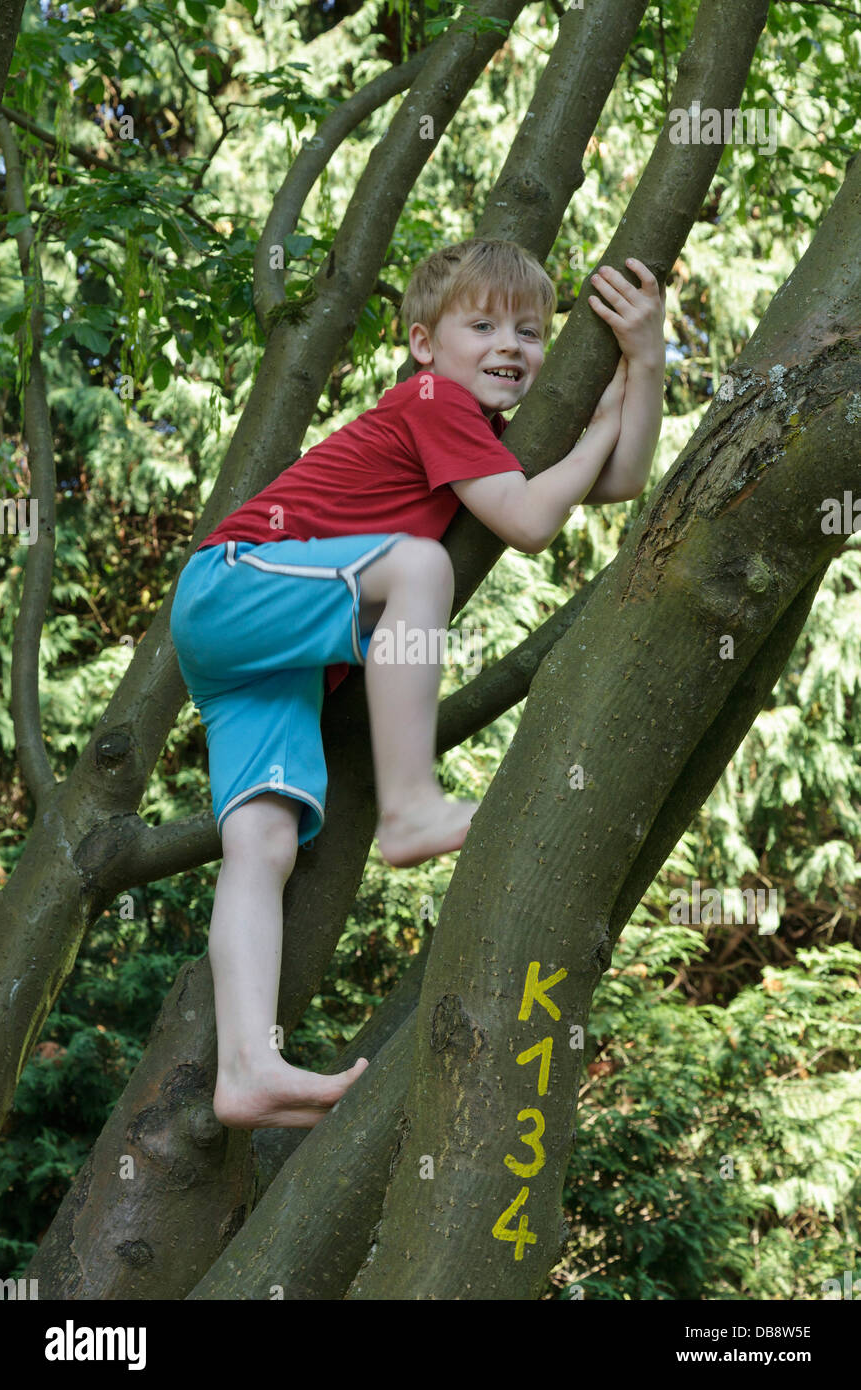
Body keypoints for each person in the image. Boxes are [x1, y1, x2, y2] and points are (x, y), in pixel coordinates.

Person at [169, 238, 665, 1129]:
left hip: (266, 652)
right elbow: (526, 520)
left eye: (530, 329)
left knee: (263, 847)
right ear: (424, 345)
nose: (510, 343)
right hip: (236, 583)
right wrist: (596, 423)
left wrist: (644, 360)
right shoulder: (433, 401)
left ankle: (246, 1066)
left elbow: (620, 478)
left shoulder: (483, 435)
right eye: (481, 325)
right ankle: (409, 807)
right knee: (419, 565)